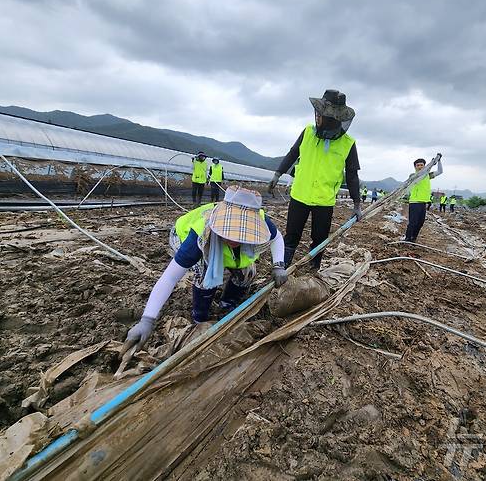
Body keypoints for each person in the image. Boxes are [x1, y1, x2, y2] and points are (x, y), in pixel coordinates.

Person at [122, 186, 287, 352]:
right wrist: (147, 320)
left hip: (227, 251)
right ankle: (200, 317)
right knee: (204, 276)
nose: (234, 238)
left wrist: (279, 265)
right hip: (182, 234)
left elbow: (277, 237)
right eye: (229, 231)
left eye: (241, 233)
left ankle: (227, 303)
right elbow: (170, 278)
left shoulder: (262, 221)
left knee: (248, 272)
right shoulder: (199, 235)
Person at [267, 89, 362, 270]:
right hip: (300, 195)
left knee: (319, 238)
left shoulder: (348, 143)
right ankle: (284, 265)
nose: (317, 116)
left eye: (321, 114)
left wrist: (357, 203)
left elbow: (352, 175)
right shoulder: (308, 132)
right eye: (317, 112)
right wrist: (277, 174)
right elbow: (293, 153)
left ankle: (314, 267)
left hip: (324, 200)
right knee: (292, 234)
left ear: (332, 118)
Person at [403, 157, 443, 242]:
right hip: (415, 202)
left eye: (422, 165)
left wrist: (438, 161)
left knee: (420, 223)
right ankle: (407, 238)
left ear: (425, 166)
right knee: (413, 222)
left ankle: (413, 238)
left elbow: (440, 172)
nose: (420, 167)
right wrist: (430, 165)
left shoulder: (428, 175)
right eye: (418, 165)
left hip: (423, 202)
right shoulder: (413, 175)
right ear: (415, 167)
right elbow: (415, 179)